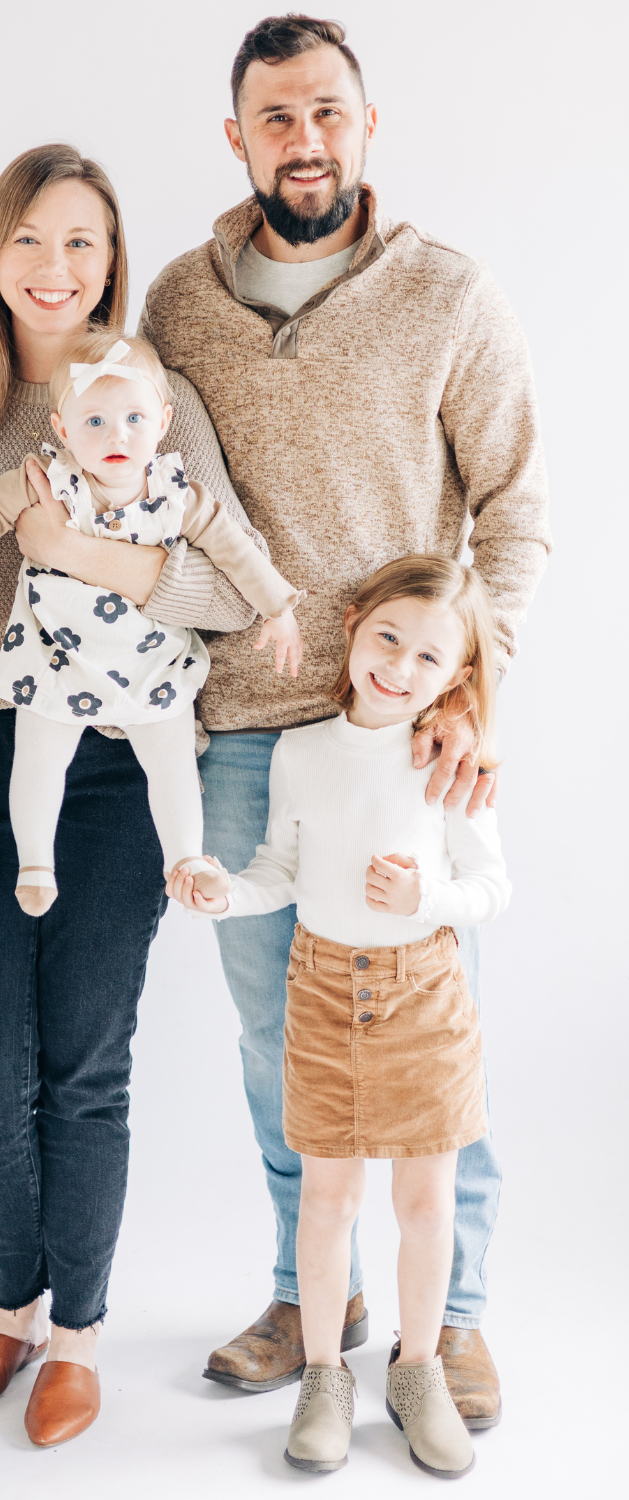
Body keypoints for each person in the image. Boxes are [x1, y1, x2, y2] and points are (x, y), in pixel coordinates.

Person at [141, 13, 550, 1423]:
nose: (303, 140)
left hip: (406, 735)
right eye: (275, 117)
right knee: (281, 1045)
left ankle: (460, 1317)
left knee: (445, 1033)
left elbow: (515, 507)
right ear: (238, 136)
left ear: (366, 125)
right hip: (247, 729)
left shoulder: (449, 294)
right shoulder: (180, 305)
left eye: (326, 112)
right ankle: (315, 1290)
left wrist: (473, 690)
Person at [0, 143, 268, 1448]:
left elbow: (221, 583)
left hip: (122, 774)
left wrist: (69, 546)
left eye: (86, 243)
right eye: (34, 241)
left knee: (83, 1065)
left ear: (113, 261)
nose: (59, 269)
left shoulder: (156, 397)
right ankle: (11, 1305)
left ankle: (79, 1332)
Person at [169, 555, 510, 1478]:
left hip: (425, 997)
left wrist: (427, 897)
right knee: (327, 1197)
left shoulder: (444, 759)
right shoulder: (301, 752)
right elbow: (278, 873)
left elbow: (491, 886)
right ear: (354, 626)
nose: (400, 667)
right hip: (321, 993)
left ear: (459, 676)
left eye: (430, 659)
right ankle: (326, 1373)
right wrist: (221, 891)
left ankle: (419, 1368)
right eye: (388, 638)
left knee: (425, 1200)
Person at [0, 331, 303, 913]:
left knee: (172, 762)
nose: (118, 435)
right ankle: (35, 860)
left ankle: (184, 854)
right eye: (96, 422)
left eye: (135, 418)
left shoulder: (176, 492)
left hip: (148, 659)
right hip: (56, 654)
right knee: (38, 758)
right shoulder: (50, 477)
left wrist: (278, 607)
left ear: (163, 422)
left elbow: (236, 549)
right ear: (63, 429)